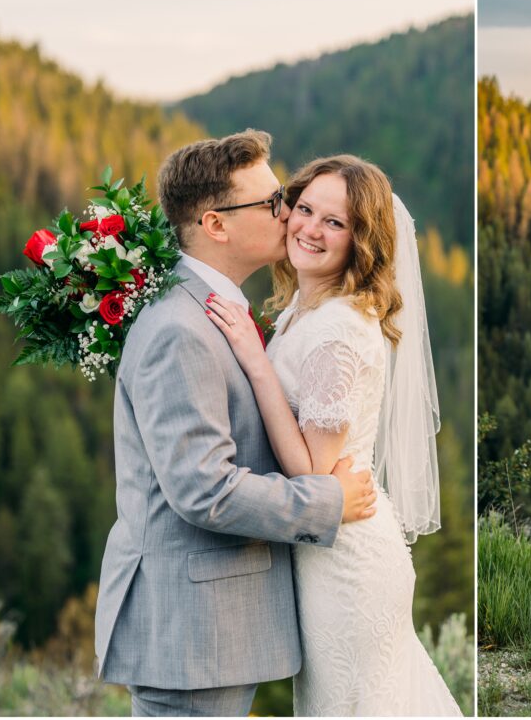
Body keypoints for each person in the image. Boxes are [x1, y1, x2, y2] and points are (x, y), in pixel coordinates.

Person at [94, 131, 378, 717]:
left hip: (213, 631)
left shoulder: (214, 312)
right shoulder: (180, 328)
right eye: (274, 202)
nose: (289, 215)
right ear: (216, 224)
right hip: (193, 632)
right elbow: (206, 490)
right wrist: (326, 501)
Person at [203, 154, 461, 716]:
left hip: (347, 562)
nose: (310, 229)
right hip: (322, 551)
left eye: (335, 222)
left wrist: (255, 360)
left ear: (360, 241)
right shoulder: (306, 307)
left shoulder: (340, 332)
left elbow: (315, 475)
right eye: (304, 209)